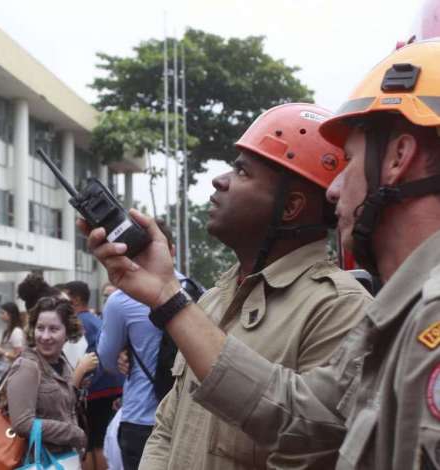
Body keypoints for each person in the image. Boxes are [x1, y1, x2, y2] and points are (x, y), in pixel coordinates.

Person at [83, 39, 440, 470]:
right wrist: (166, 294)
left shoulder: (363, 311)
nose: (335, 188)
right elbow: (297, 416)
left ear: (400, 156)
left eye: (349, 161)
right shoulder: (399, 316)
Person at [96, 221, 186, 470]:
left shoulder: (121, 300)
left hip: (141, 417)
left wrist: (127, 354)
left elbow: (107, 362)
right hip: (187, 418)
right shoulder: (198, 291)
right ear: (173, 250)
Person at [6, 296, 96, 458]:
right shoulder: (27, 366)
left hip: (64, 457)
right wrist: (73, 432)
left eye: (53, 329)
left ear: (67, 331)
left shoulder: (62, 362)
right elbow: (22, 423)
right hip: (38, 460)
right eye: (40, 328)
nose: (45, 336)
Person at [63, 280, 124, 470]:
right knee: (101, 440)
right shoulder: (95, 320)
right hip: (112, 387)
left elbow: (78, 360)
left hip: (93, 391)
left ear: (75, 299)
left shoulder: (78, 324)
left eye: (65, 297)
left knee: (90, 444)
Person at [0, 301, 25, 376]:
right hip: (6, 371)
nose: (0, 315)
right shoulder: (8, 331)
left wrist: (2, 351)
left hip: (13, 373)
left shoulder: (16, 332)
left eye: (3, 313)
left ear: (10, 315)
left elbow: (18, 356)